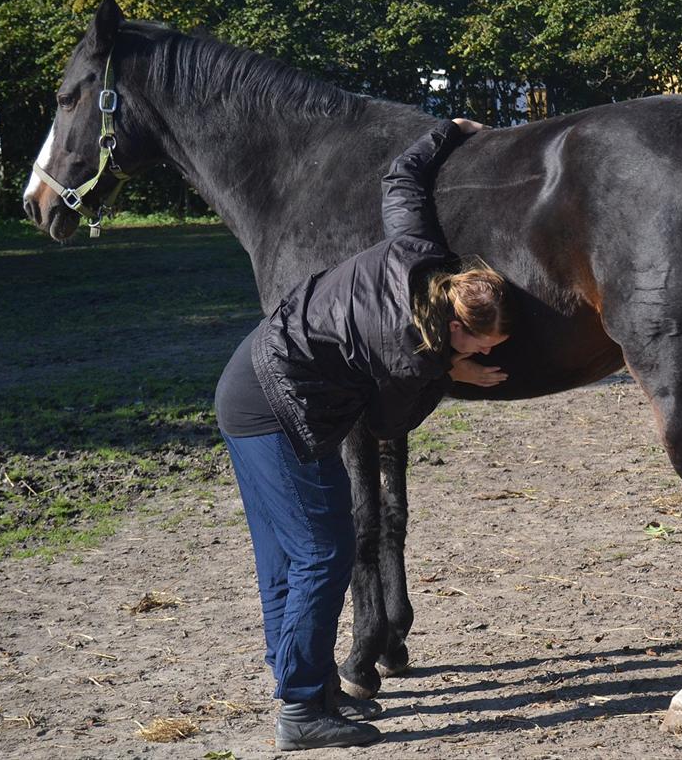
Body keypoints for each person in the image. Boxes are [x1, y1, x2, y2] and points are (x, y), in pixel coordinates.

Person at [214, 117, 511, 750]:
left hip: (251, 382)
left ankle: (309, 689)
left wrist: (447, 130)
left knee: (288, 558)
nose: (491, 351)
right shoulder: (413, 359)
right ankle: (300, 709)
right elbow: (385, 423)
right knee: (324, 551)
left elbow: (400, 178)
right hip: (274, 409)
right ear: (458, 331)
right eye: (487, 344)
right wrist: (451, 372)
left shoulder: (419, 255)